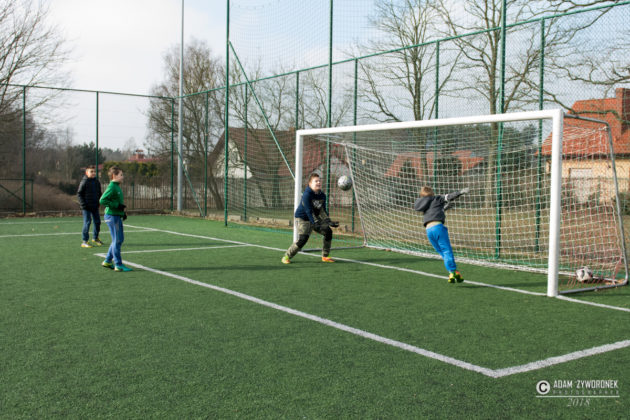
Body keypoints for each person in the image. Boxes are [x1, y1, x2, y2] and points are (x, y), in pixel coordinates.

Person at [414, 185, 469, 283]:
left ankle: (453, 271)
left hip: (428, 230)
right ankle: (453, 272)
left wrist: (443, 209)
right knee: (447, 250)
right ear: (432, 193)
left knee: (442, 252)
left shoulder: (423, 204)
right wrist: (460, 192)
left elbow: (433, 211)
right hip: (438, 228)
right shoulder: (437, 198)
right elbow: (449, 196)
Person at [282, 172, 339, 264]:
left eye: (319, 181)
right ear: (310, 184)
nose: (318, 182)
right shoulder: (307, 194)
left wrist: (328, 221)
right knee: (303, 240)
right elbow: (308, 211)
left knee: (328, 232)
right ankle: (286, 256)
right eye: (316, 181)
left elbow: (322, 211)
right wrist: (314, 222)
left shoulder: (322, 195)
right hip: (302, 219)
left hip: (314, 218)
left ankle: (325, 256)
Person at [99, 166, 132, 272]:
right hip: (112, 216)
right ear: (114, 176)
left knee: (118, 239)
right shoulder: (112, 187)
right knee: (117, 240)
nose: (123, 177)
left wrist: (122, 212)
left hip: (116, 216)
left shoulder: (117, 186)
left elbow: (117, 203)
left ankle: (108, 261)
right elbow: (102, 200)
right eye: (121, 175)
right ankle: (118, 264)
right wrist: (116, 205)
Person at [77, 165, 103, 248]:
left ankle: (95, 238)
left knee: (97, 222)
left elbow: (99, 193)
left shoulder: (96, 182)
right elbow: (79, 194)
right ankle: (84, 241)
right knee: (87, 222)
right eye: (91, 171)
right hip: (86, 207)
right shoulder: (84, 182)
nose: (93, 173)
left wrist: (99, 202)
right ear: (86, 173)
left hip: (95, 206)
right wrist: (83, 205)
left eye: (94, 171)